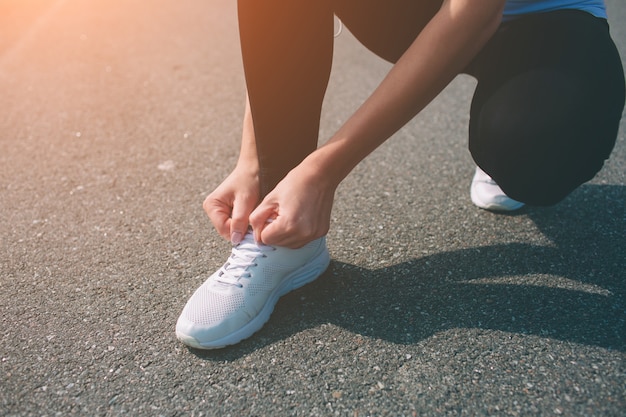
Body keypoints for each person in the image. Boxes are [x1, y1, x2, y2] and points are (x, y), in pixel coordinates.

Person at [176, 0, 625, 349]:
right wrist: (259, 162)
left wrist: (321, 172)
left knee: (535, 150)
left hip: (550, 18)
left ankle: (505, 125)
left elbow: (474, 14)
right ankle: (284, 239)